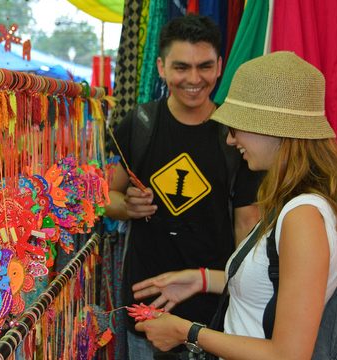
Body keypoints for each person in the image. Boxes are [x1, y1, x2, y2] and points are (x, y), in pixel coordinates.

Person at [132, 51, 337, 359]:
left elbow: (289, 353)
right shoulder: (298, 201)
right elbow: (272, 282)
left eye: (236, 127)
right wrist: (201, 279)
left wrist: (187, 332)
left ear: (273, 130)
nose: (230, 140)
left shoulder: (303, 216)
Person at [106, 15, 262, 358]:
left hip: (214, 315)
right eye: (181, 67)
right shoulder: (141, 123)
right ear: (161, 67)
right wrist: (126, 206)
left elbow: (247, 224)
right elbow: (107, 196)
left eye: (204, 66)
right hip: (146, 309)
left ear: (220, 66)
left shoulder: (236, 135)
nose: (194, 79)